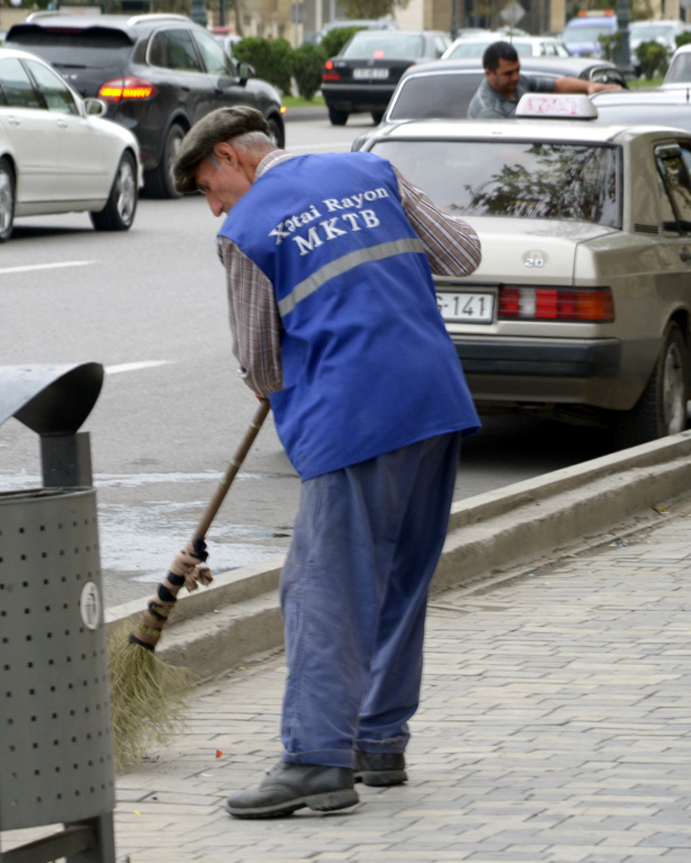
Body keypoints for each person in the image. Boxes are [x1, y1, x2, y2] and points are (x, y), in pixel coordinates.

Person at [171, 106, 483, 819]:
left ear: (231, 158)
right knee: (400, 578)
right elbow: (461, 253)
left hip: (354, 418)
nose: (212, 204)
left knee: (323, 588)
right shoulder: (371, 168)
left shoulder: (244, 230)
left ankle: (315, 759)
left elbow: (258, 363)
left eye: (205, 186)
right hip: (435, 399)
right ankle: (378, 740)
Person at [467, 40, 620, 119]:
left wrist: (591, 87)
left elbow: (559, 85)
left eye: (517, 70)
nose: (515, 77)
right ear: (489, 73)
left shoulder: (520, 83)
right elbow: (506, 151)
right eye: (507, 74)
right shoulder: (487, 109)